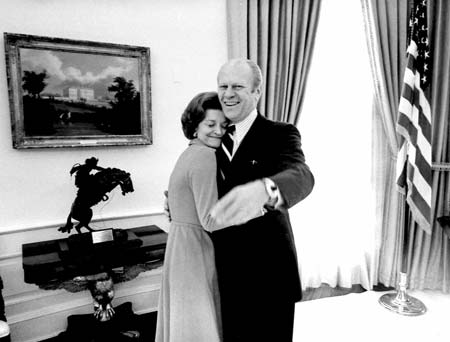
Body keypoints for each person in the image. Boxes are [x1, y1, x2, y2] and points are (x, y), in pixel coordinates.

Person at [209, 58, 315, 341]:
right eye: (223, 86)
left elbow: (302, 175)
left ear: (257, 92)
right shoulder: (208, 136)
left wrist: (266, 190)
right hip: (221, 274)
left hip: (269, 276)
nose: (228, 94)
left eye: (238, 86)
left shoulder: (281, 134)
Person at [155, 92, 229, 342]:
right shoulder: (205, 155)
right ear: (194, 125)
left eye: (224, 125)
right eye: (210, 124)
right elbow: (210, 220)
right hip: (195, 249)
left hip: (180, 245)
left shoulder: (189, 152)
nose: (218, 131)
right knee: (198, 324)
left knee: (185, 321)